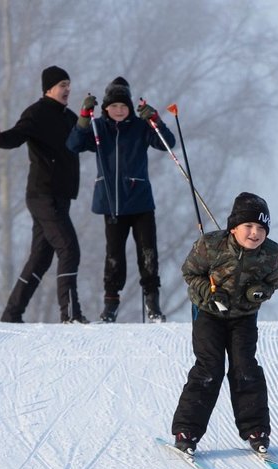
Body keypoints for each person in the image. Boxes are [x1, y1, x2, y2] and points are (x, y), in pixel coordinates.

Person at [170, 192, 278, 456]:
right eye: (248, 226)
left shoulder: (273, 254)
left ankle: (256, 430)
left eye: (261, 228)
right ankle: (186, 430)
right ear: (234, 228)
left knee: (245, 367)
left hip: (243, 317)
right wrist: (210, 294)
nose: (254, 233)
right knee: (210, 368)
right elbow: (190, 273)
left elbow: (273, 282)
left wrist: (258, 291)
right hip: (208, 314)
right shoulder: (210, 246)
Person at [66, 76, 174, 323]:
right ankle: (110, 304)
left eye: (123, 106)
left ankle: (152, 303)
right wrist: (83, 116)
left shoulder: (139, 127)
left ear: (129, 108)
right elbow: (73, 145)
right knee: (114, 256)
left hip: (140, 202)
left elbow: (168, 143)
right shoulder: (98, 128)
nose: (118, 111)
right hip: (112, 204)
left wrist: (154, 119)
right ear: (105, 108)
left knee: (148, 253)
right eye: (113, 106)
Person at [0, 65, 88, 324]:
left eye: (69, 84)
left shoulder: (69, 118)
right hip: (43, 194)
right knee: (69, 249)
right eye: (62, 85)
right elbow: (17, 136)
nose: (68, 89)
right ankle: (70, 313)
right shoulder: (37, 112)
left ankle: (11, 315)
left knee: (40, 258)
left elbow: (86, 139)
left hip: (61, 196)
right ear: (49, 88)